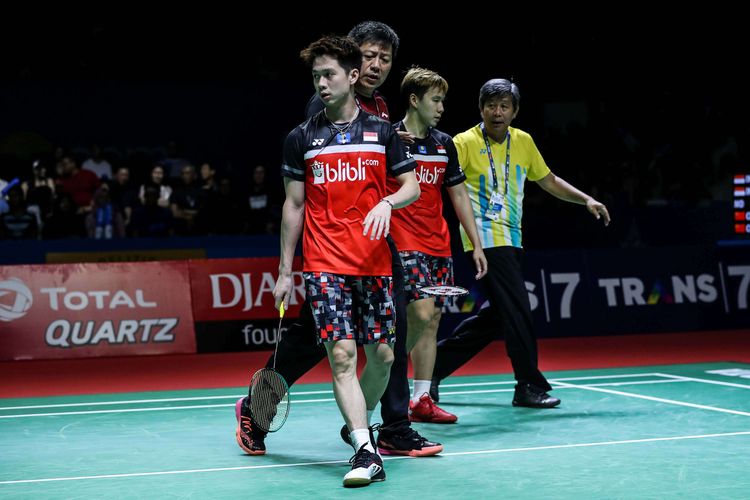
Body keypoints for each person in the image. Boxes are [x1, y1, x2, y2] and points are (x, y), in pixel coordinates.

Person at [236, 21, 443, 461]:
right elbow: (304, 195)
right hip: (331, 252)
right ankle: (260, 409)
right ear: (352, 62)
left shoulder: (381, 112)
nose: (376, 65)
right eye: (369, 55)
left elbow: (394, 178)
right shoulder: (322, 107)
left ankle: (389, 426)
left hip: (374, 252)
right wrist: (287, 269)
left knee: (385, 344)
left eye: (385, 59)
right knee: (309, 345)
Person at [273, 35, 419, 487]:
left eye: (330, 74)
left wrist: (387, 204)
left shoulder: (383, 133)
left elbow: (410, 186)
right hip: (324, 264)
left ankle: (360, 424)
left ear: (353, 77)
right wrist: (284, 271)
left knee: (384, 356)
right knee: (342, 354)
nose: (321, 83)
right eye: (316, 75)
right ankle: (363, 449)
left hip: (374, 263)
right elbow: (293, 206)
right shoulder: (302, 138)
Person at [430, 79, 610, 410]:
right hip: (482, 239)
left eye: (504, 106)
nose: (497, 113)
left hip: (512, 239)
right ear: (481, 108)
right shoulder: (463, 142)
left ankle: (432, 369)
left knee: (500, 315)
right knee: (519, 310)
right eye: (491, 106)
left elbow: (549, 180)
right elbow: (437, 175)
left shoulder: (524, 142)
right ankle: (528, 384)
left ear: (514, 111)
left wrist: (585, 200)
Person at [390, 67, 487, 423]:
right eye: (435, 99)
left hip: (439, 244)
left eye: (443, 100)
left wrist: (475, 243)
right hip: (402, 241)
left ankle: (421, 399)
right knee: (419, 313)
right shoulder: (389, 140)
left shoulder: (444, 143)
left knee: (432, 322)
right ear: (414, 100)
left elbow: (458, 193)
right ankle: (390, 378)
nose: (442, 107)